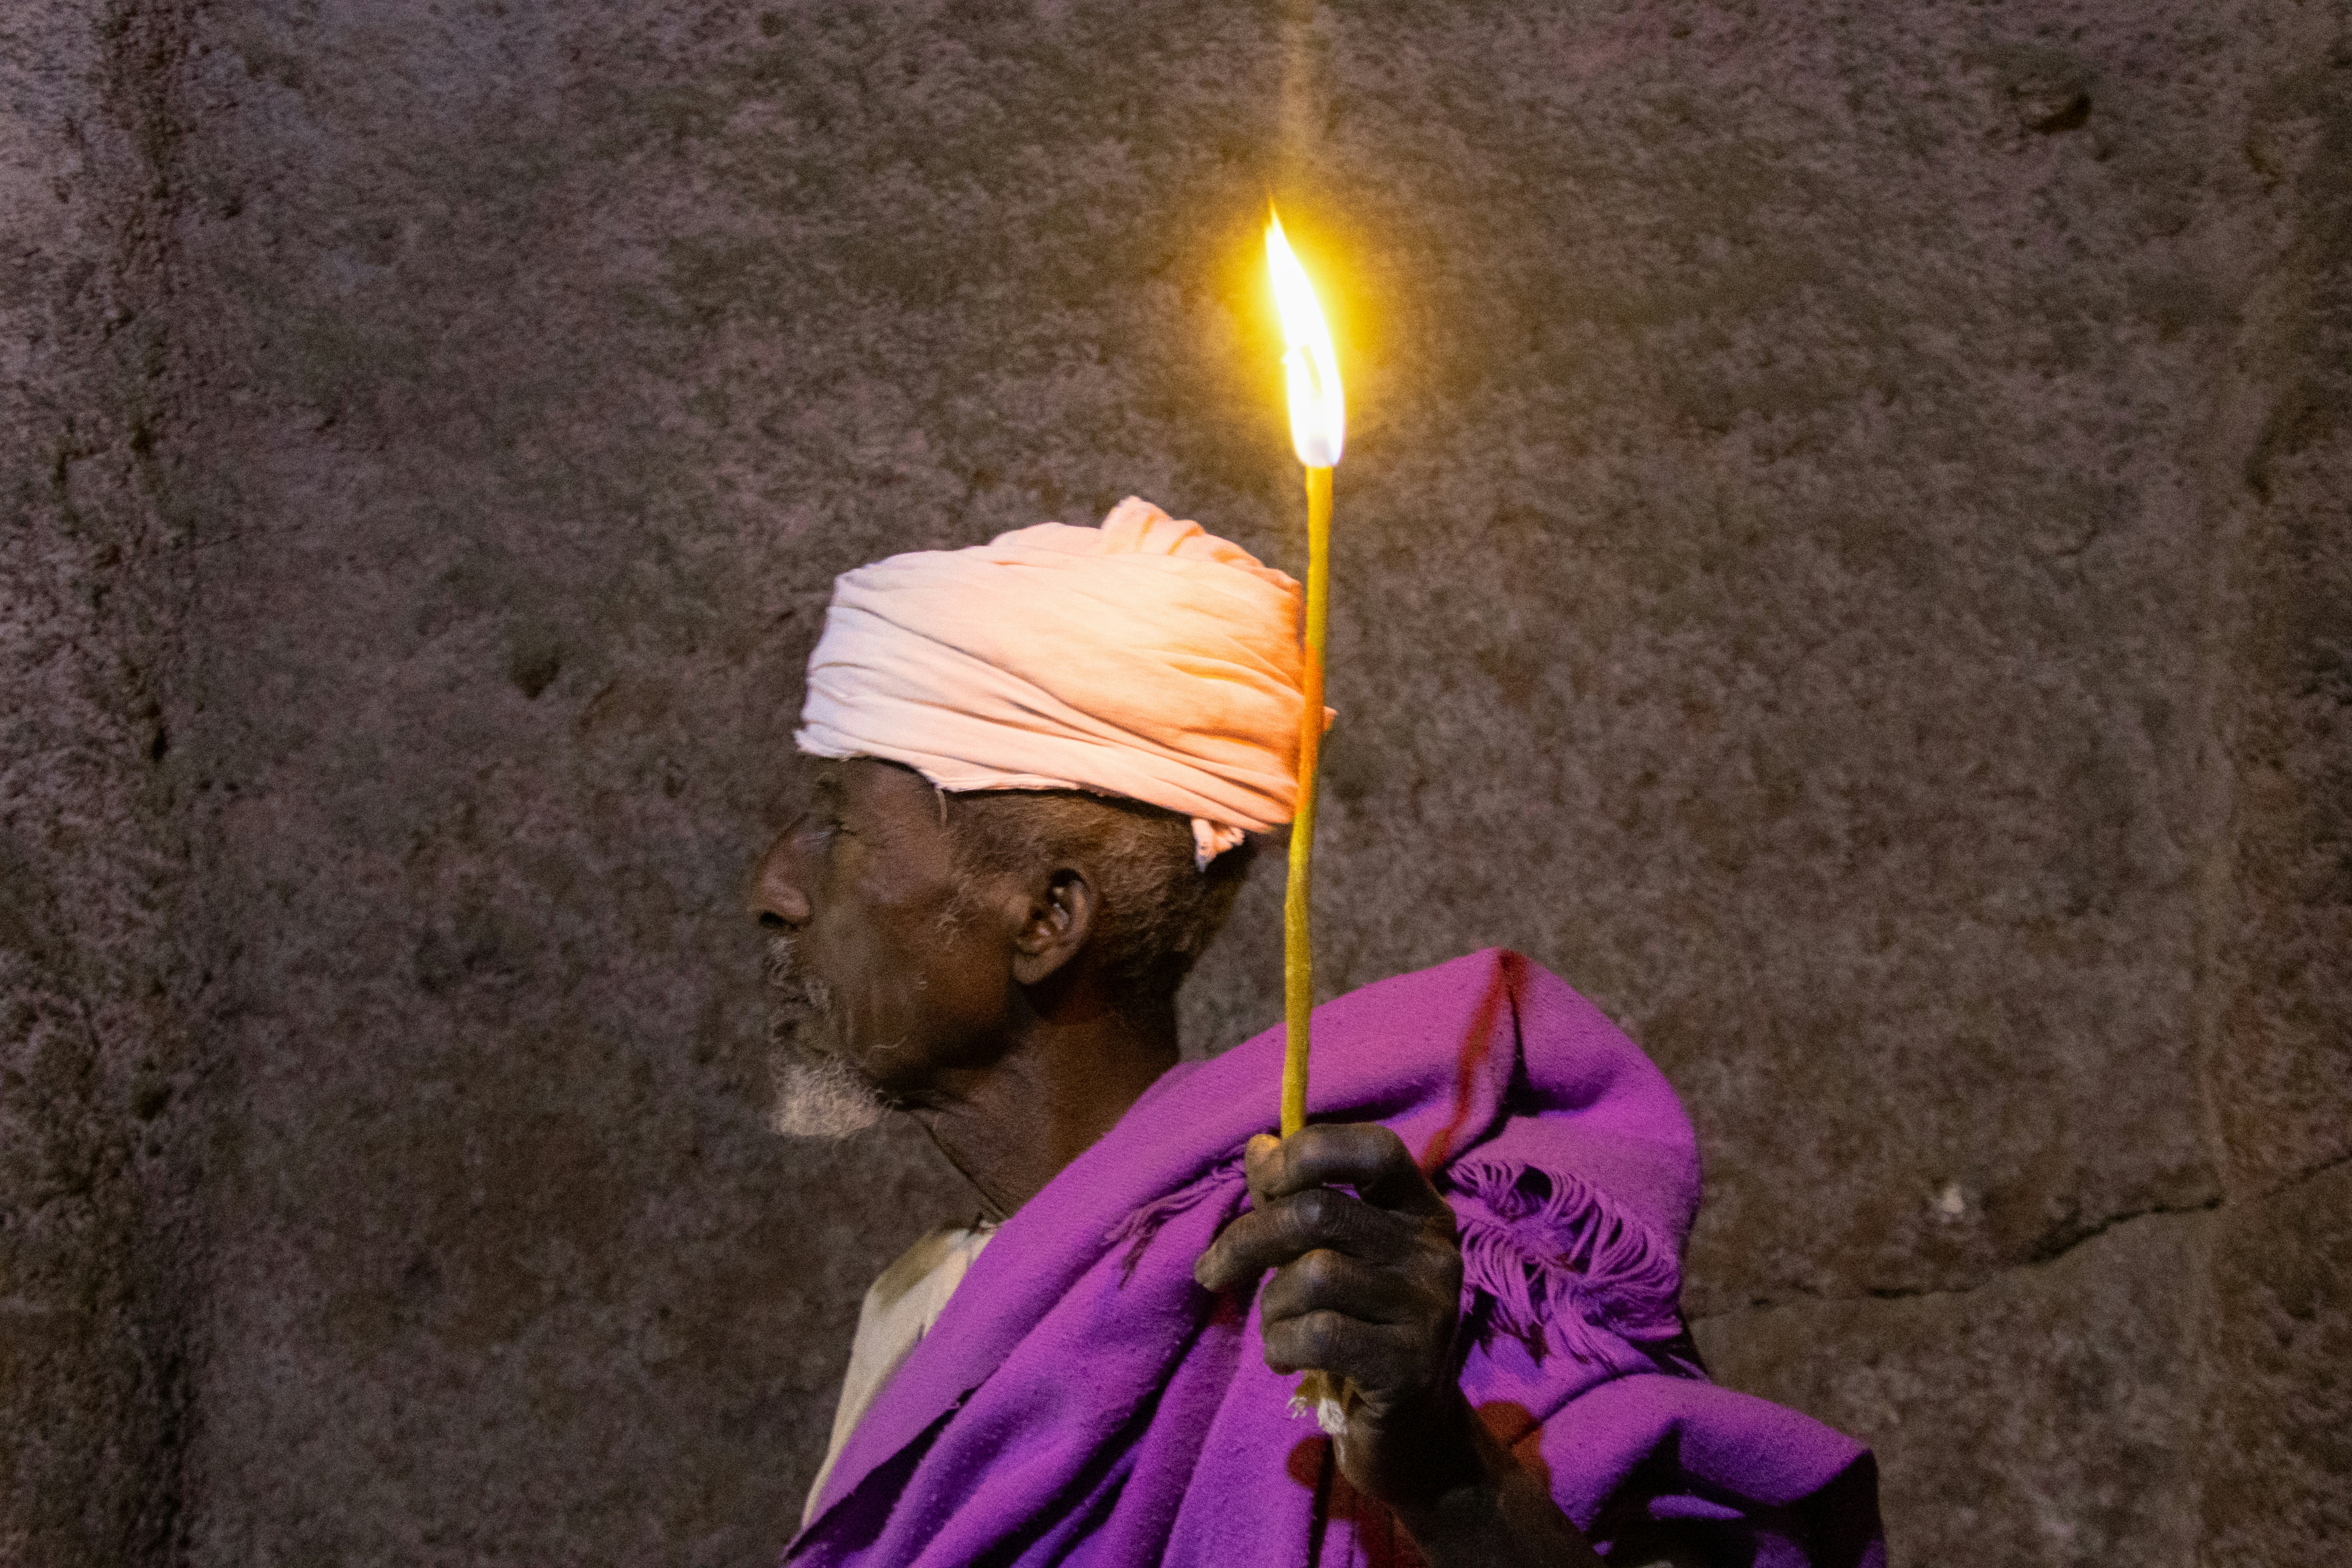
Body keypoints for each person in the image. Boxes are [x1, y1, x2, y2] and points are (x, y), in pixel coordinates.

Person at [751, 498, 1884, 1568]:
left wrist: (1451, 1477)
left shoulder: (1376, 1264)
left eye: (842, 831)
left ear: (1047, 918)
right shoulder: (917, 1304)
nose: (776, 887)